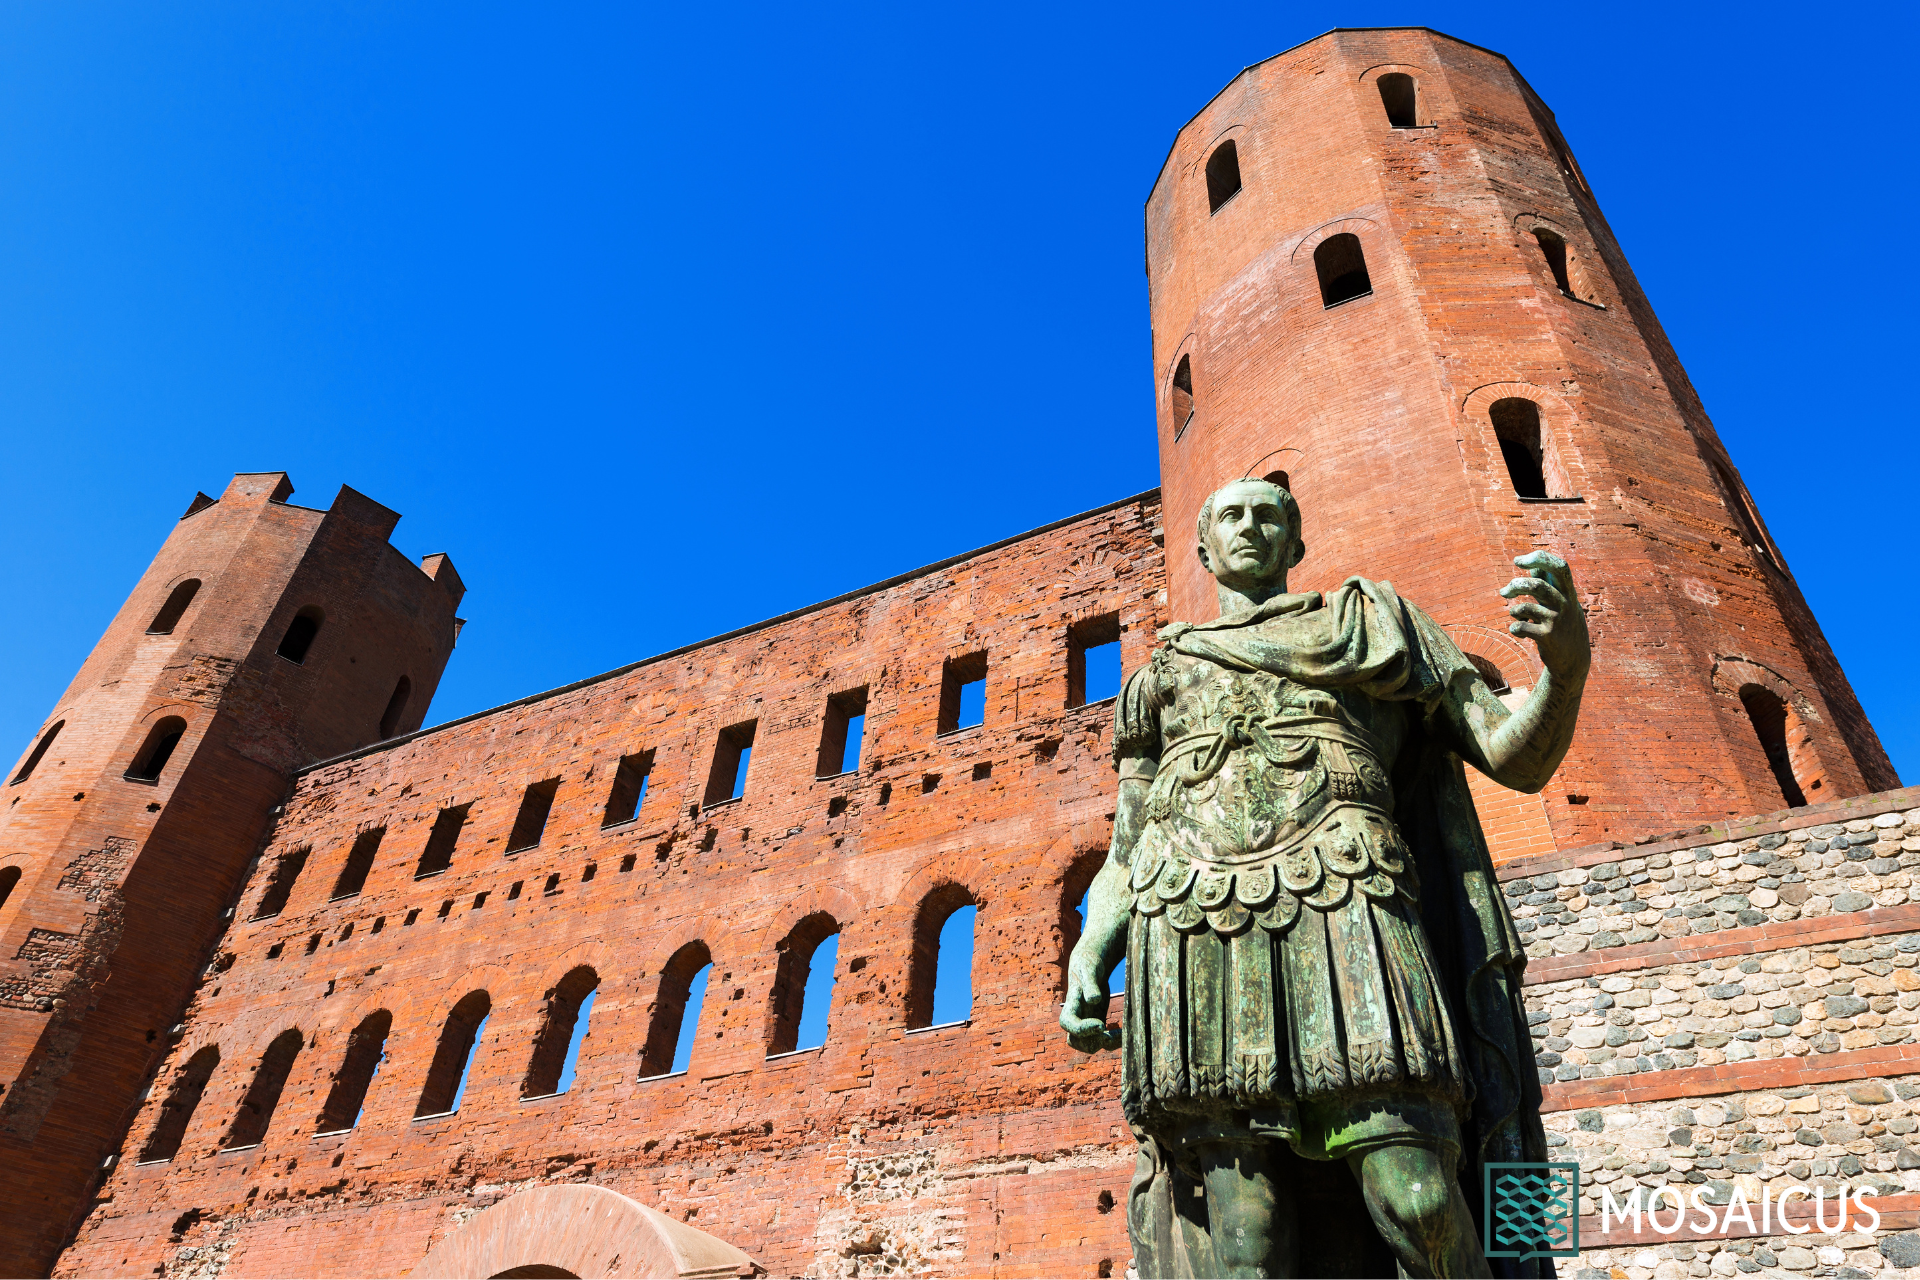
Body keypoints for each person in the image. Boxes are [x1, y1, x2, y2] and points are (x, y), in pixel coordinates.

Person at [1061, 476, 1588, 1278]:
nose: (1250, 527)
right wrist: (1092, 948)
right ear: (1201, 547)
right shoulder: (1160, 676)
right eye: (1230, 517)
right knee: (1246, 1242)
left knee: (1417, 1195)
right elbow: (1129, 843)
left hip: (1351, 905)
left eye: (1269, 515)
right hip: (1193, 923)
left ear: (1296, 542)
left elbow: (1515, 755)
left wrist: (1566, 667)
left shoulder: (1367, 625)